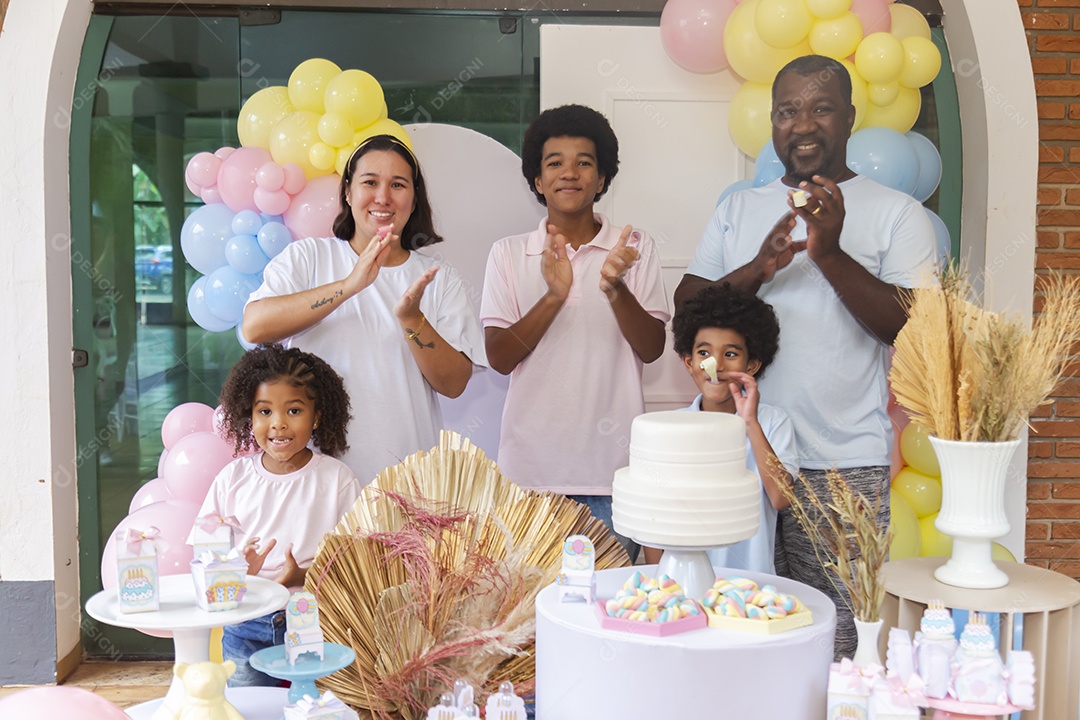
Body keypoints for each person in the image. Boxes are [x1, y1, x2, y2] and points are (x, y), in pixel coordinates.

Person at [674, 55, 935, 658]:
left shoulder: (898, 213)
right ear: (772, 122)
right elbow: (687, 316)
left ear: (849, 117)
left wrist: (830, 253)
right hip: (736, 463)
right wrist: (761, 267)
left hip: (840, 467)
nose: (804, 124)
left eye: (820, 108)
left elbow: (907, 328)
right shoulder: (738, 210)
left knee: (839, 643)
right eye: (788, 111)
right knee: (734, 633)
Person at [480, 104, 670, 562]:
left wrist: (614, 287)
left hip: (613, 478)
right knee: (528, 629)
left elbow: (653, 348)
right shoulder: (507, 254)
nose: (570, 173)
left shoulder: (634, 247)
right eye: (555, 163)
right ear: (538, 180)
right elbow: (500, 358)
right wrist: (554, 295)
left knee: (608, 619)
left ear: (602, 178)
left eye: (584, 162)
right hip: (529, 483)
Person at [243, 135, 486, 485]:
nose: (383, 197)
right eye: (369, 182)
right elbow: (255, 326)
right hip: (316, 483)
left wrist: (412, 320)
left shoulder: (438, 279)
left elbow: (453, 384)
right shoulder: (308, 257)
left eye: (398, 185)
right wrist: (348, 286)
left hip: (408, 482)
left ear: (414, 198)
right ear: (347, 191)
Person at [191, 344, 361, 687]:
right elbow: (203, 552)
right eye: (265, 411)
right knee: (249, 705)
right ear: (248, 416)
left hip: (315, 622)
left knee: (311, 704)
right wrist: (236, 570)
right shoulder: (232, 478)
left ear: (317, 416)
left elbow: (356, 555)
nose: (278, 423)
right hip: (246, 623)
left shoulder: (336, 479)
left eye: (294, 410)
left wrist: (305, 573)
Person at [652, 283, 797, 574]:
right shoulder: (671, 429)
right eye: (704, 353)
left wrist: (750, 422)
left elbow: (781, 498)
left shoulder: (772, 423)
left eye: (730, 354)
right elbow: (655, 518)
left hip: (750, 586)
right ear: (689, 362)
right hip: (681, 585)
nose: (714, 365)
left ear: (752, 365)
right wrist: (658, 583)